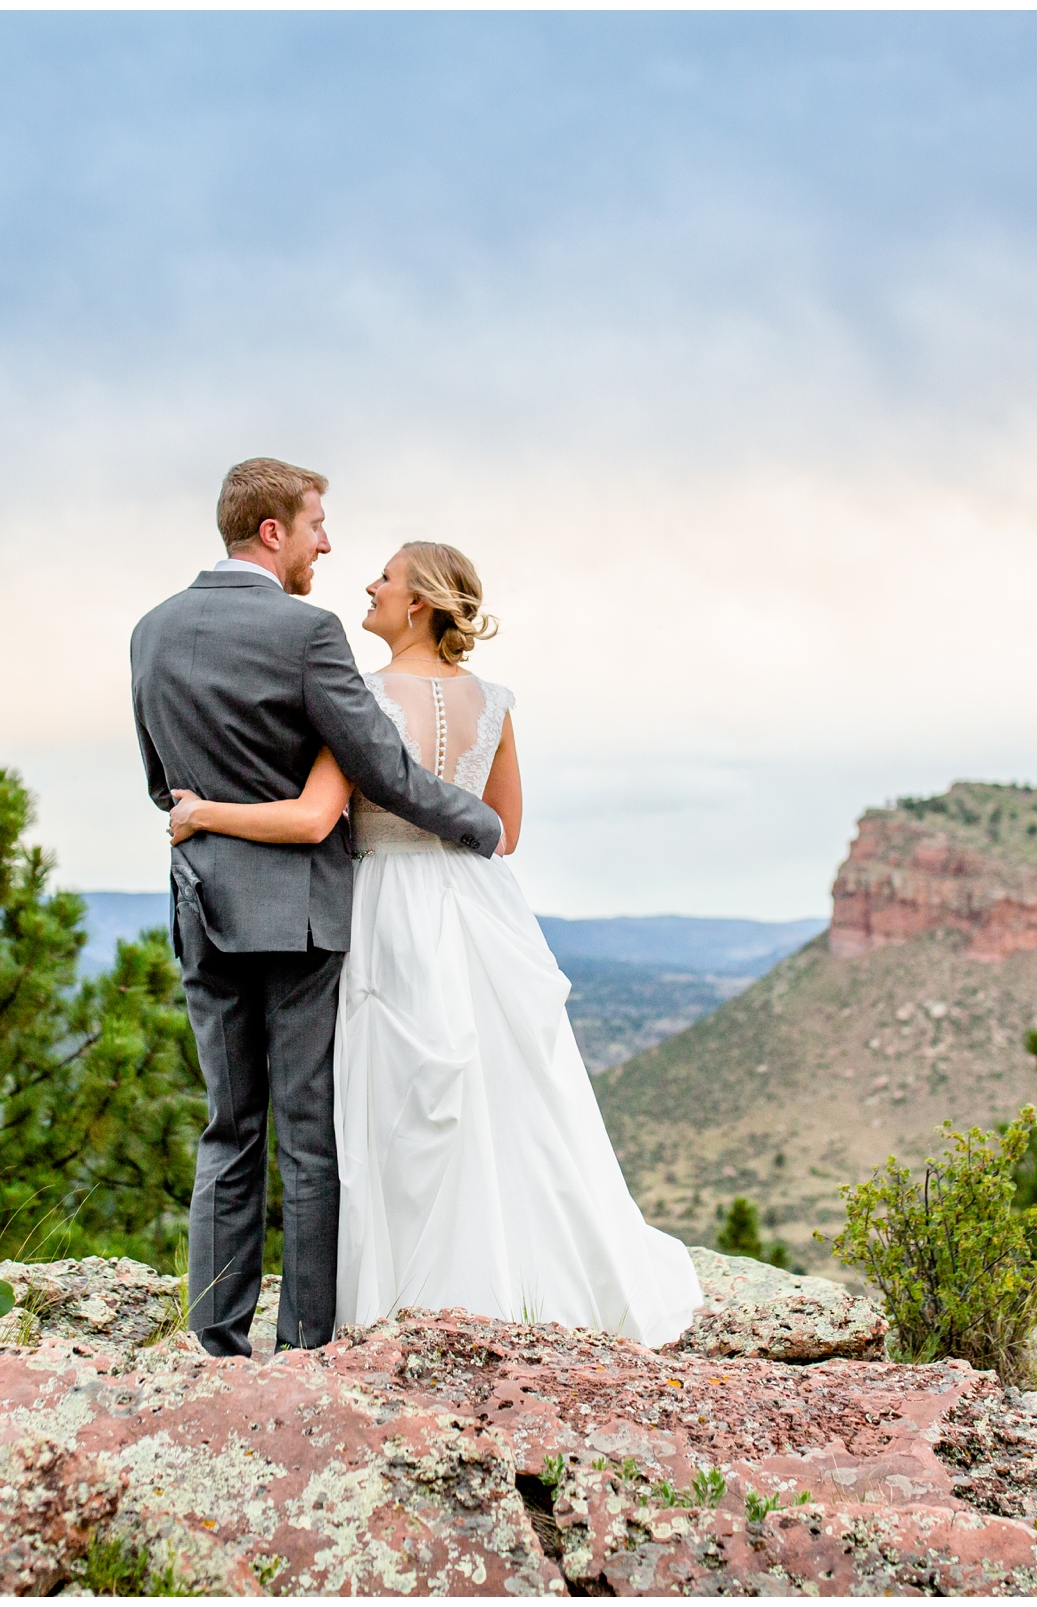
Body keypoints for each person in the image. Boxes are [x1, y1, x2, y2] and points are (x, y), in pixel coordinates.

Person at [166, 540, 705, 1346]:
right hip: (479, 903)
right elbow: (506, 832)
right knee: (502, 1096)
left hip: (388, 903)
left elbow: (314, 818)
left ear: (418, 601)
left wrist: (201, 813)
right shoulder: (493, 701)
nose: (371, 586)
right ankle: (518, 1278)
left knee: (396, 1106)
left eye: (384, 577)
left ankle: (398, 1301)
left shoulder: (363, 697)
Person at [129, 459, 504, 1357]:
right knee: (307, 1139)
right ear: (272, 532)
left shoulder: (150, 632)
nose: (325, 545)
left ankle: (214, 1339)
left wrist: (211, 826)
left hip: (205, 906)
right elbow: (380, 764)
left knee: (229, 1127)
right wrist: (477, 822)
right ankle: (303, 1349)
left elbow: (162, 786)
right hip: (302, 920)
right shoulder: (308, 632)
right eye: (315, 526)